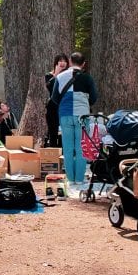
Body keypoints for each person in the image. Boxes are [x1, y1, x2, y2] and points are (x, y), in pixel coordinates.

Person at [51, 52, 98, 186]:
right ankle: (79, 178)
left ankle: (70, 179)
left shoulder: (60, 76)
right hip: (82, 115)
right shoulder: (87, 78)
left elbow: (54, 97)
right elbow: (93, 98)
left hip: (65, 114)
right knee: (81, 147)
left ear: (70, 62)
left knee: (68, 147)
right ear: (83, 64)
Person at [45, 54, 68, 148]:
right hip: (52, 108)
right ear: (56, 62)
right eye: (60, 60)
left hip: (65, 107)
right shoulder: (49, 75)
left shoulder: (69, 75)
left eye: (64, 61)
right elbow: (50, 87)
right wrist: (57, 73)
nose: (62, 63)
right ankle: (53, 155)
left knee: (66, 132)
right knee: (53, 132)